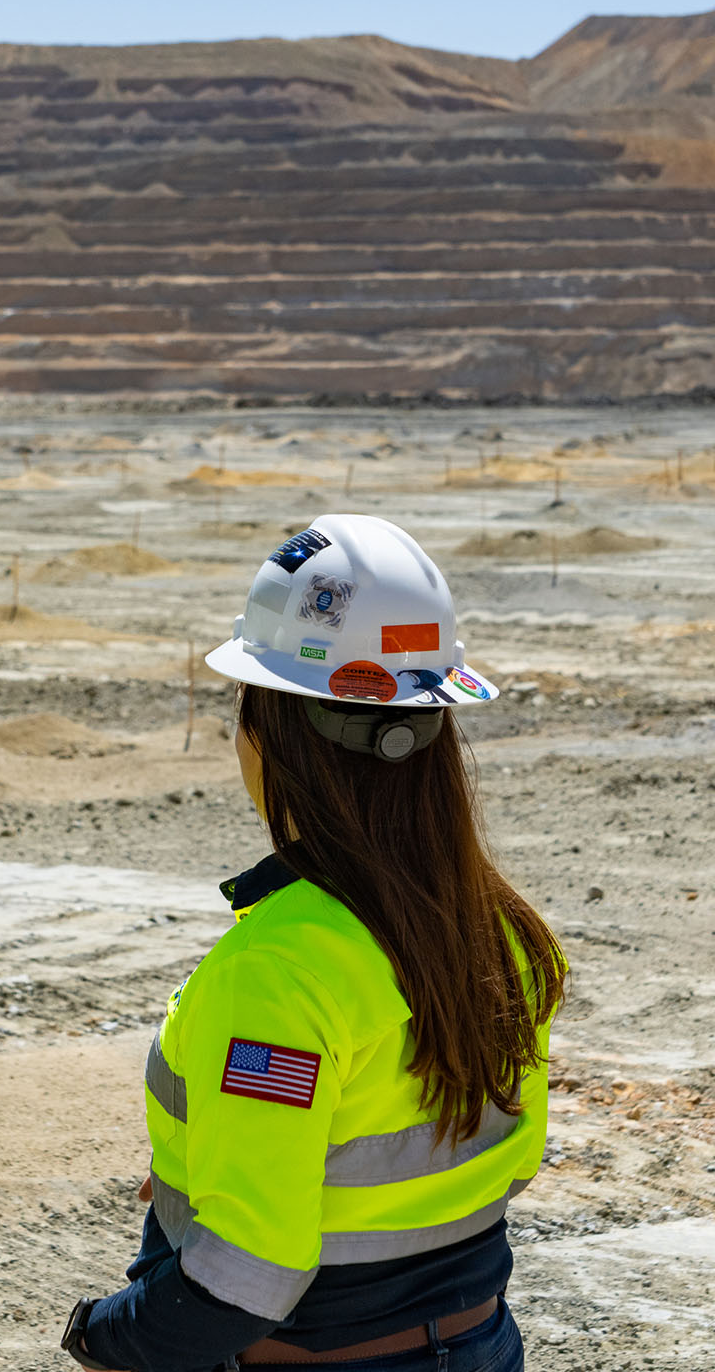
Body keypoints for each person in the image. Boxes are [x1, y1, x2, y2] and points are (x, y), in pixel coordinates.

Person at [60, 515, 566, 1372]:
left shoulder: (279, 972)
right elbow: (493, 1168)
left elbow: (243, 1286)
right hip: (476, 1342)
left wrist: (101, 1334)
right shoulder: (499, 931)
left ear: (280, 734)